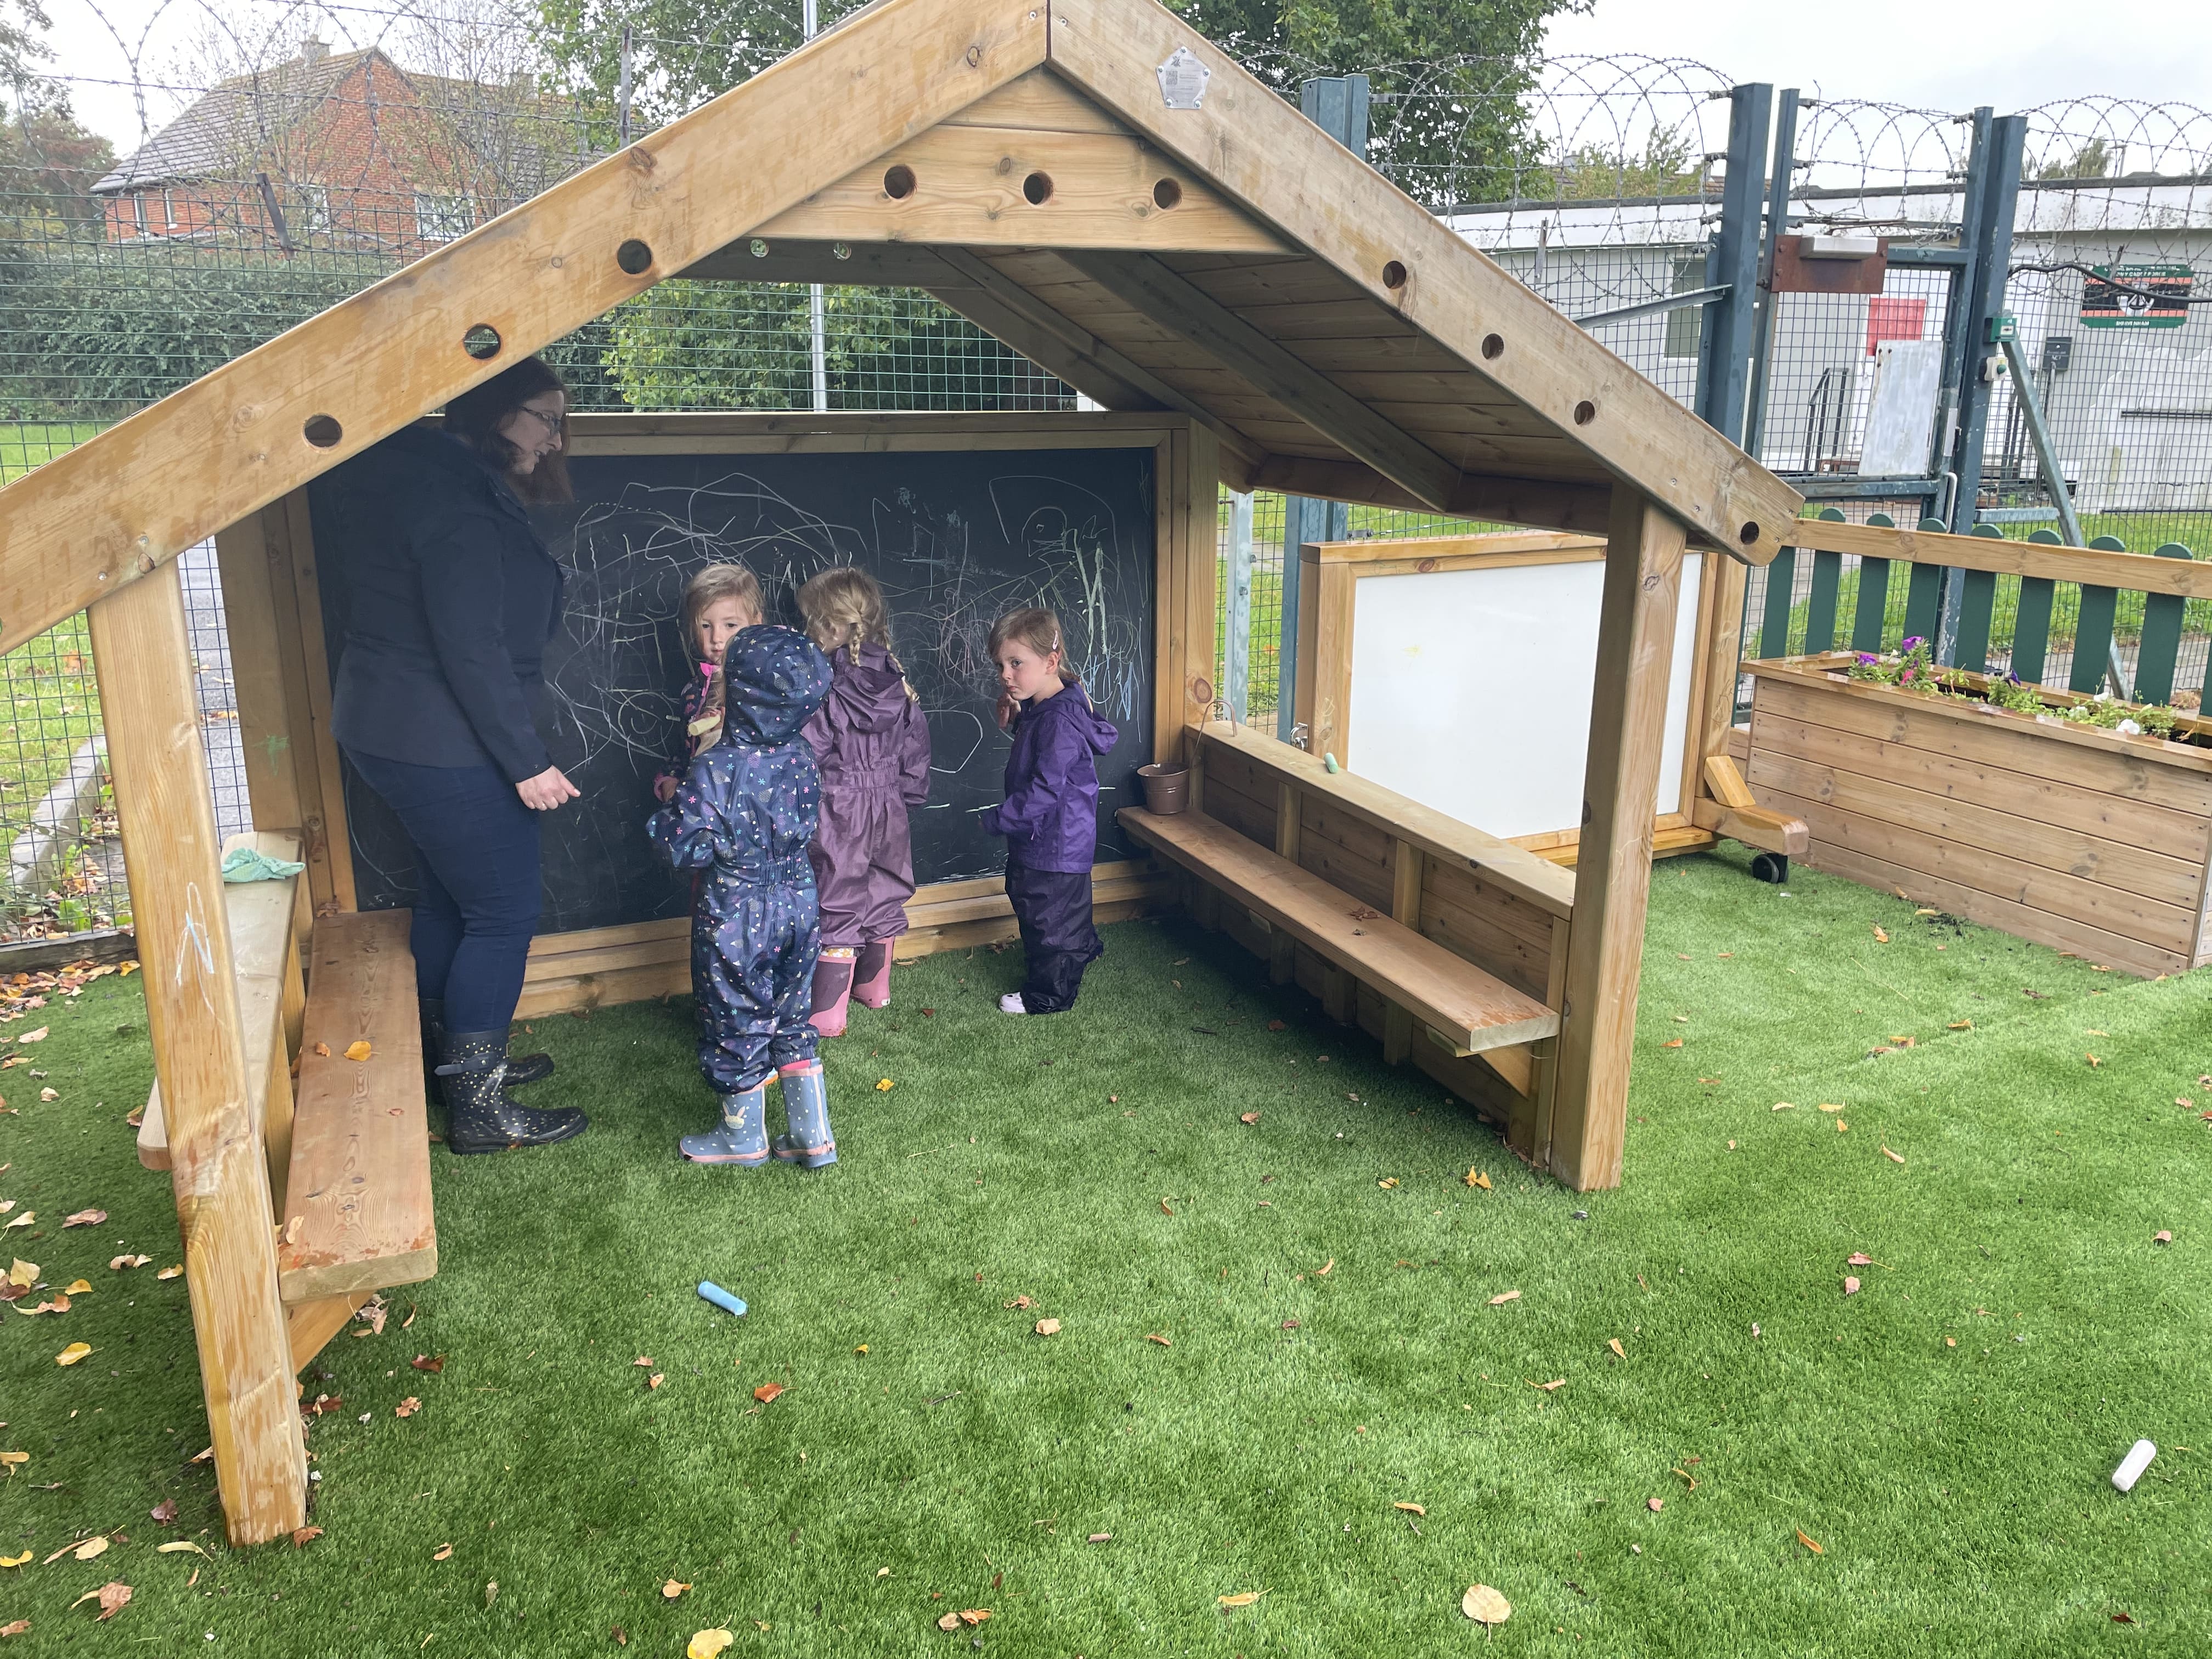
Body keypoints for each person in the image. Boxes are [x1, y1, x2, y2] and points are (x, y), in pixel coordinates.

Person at [314, 355, 585, 1154]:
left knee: (448, 905)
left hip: (388, 727)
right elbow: (469, 648)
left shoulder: (428, 474)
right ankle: (478, 1107)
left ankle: (454, 1064)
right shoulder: (458, 502)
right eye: (544, 416)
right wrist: (526, 761)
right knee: (503, 913)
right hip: (441, 741)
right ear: (498, 413)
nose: (555, 437)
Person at [647, 624, 839, 1167]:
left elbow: (683, 849)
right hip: (800, 897)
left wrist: (668, 809)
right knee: (791, 1012)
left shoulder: (716, 766)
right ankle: (811, 1134)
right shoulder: (802, 753)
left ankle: (743, 1138)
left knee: (736, 1014)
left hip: (740, 905)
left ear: (739, 691)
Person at [794, 568, 932, 1037]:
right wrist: (906, 795)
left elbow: (808, 754)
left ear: (830, 626)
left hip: (837, 807)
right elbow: (916, 748)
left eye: (810, 622)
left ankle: (827, 1013)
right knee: (884, 885)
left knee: (837, 896)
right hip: (889, 805)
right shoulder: (899, 683)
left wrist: (796, 808)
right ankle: (874, 987)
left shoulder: (822, 687)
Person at [980, 607, 1117, 1015]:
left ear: (1051, 661)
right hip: (1055, 837)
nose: (1006, 674)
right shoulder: (1054, 702)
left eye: (1016, 663)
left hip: (1054, 839)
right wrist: (1018, 720)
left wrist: (997, 818)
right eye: (1001, 664)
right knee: (1050, 905)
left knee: (1047, 917)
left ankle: (1050, 995)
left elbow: (1044, 790)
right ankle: (1081, 947)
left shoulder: (1058, 719)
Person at [653, 563, 765, 805]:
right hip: (703, 810)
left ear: (756, 623)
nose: (717, 638)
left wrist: (728, 730)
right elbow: (685, 753)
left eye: (731, 625)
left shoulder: (767, 687)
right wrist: (671, 780)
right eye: (706, 626)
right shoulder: (694, 691)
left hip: (751, 811)